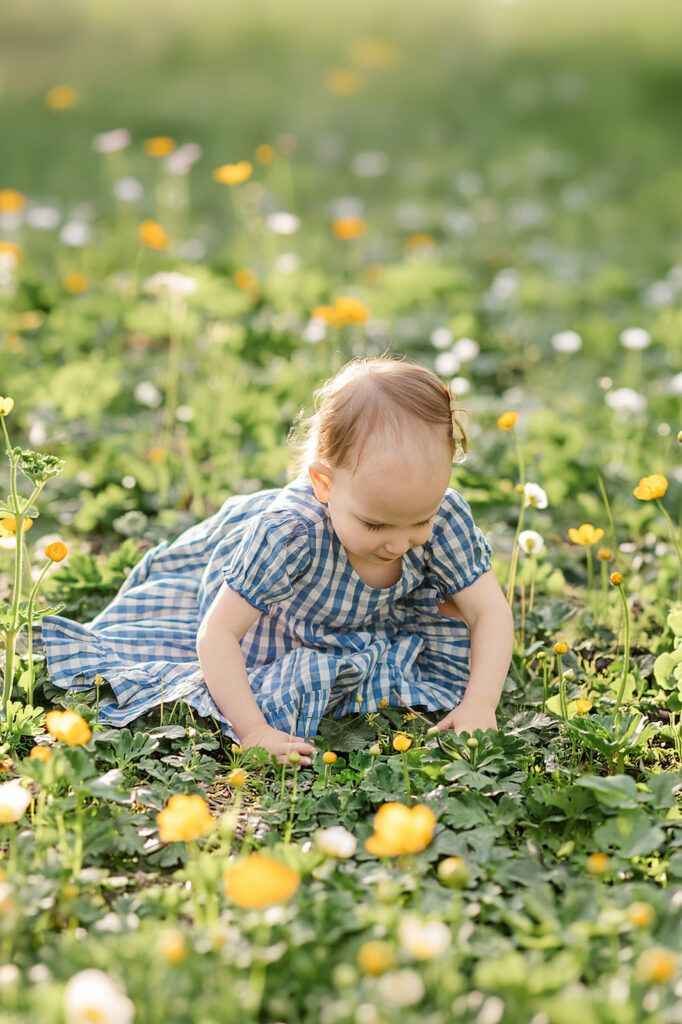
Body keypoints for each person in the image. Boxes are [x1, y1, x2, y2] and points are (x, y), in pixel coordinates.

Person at [41, 355, 513, 765]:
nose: (398, 543)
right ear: (325, 484)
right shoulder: (290, 534)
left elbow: (489, 610)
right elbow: (218, 632)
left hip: (372, 619)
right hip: (274, 618)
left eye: (419, 521)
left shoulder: (442, 517)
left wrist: (480, 704)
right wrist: (253, 731)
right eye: (374, 525)